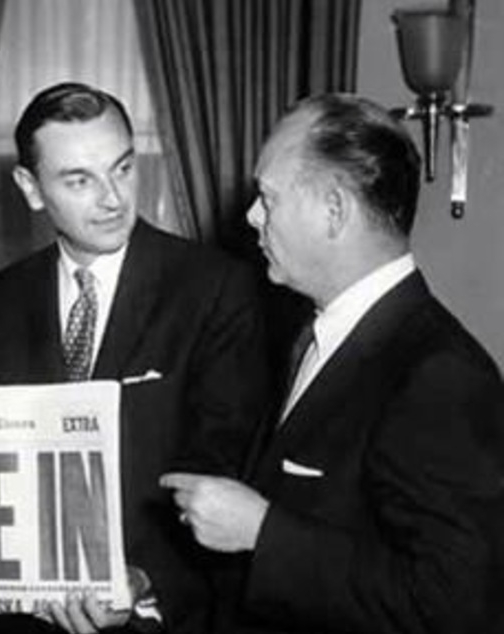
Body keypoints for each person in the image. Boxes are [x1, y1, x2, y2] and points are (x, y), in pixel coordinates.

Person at [162, 93, 504, 634]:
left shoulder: (440, 375)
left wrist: (264, 532)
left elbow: (458, 607)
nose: (252, 216)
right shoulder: (309, 338)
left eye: (268, 198)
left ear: (334, 210)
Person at [0, 82, 270, 634]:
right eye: (79, 180)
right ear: (31, 189)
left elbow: (221, 460)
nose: (112, 198)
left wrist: (141, 577)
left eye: (123, 169)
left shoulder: (214, 287)